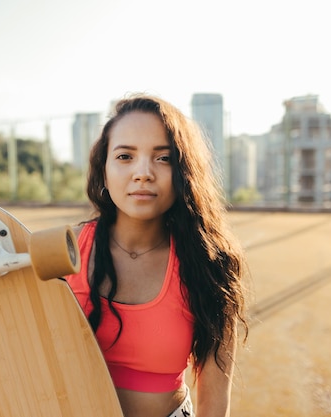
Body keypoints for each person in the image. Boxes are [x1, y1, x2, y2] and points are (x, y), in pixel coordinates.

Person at [65, 94, 249, 417]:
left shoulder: (209, 264)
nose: (143, 173)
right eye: (125, 156)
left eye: (163, 158)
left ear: (184, 172)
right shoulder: (67, 252)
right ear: (103, 168)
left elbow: (215, 401)